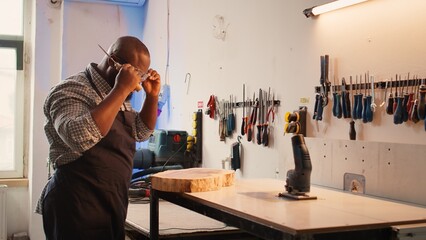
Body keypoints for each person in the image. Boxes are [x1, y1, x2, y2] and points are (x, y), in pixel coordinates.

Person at [36, 36, 161, 240]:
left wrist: (152, 97)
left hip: (111, 201)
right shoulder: (71, 90)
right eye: (134, 73)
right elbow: (77, 136)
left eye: (141, 75)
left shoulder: (119, 94)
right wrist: (120, 89)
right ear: (113, 62)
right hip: (75, 204)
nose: (137, 81)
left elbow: (141, 132)